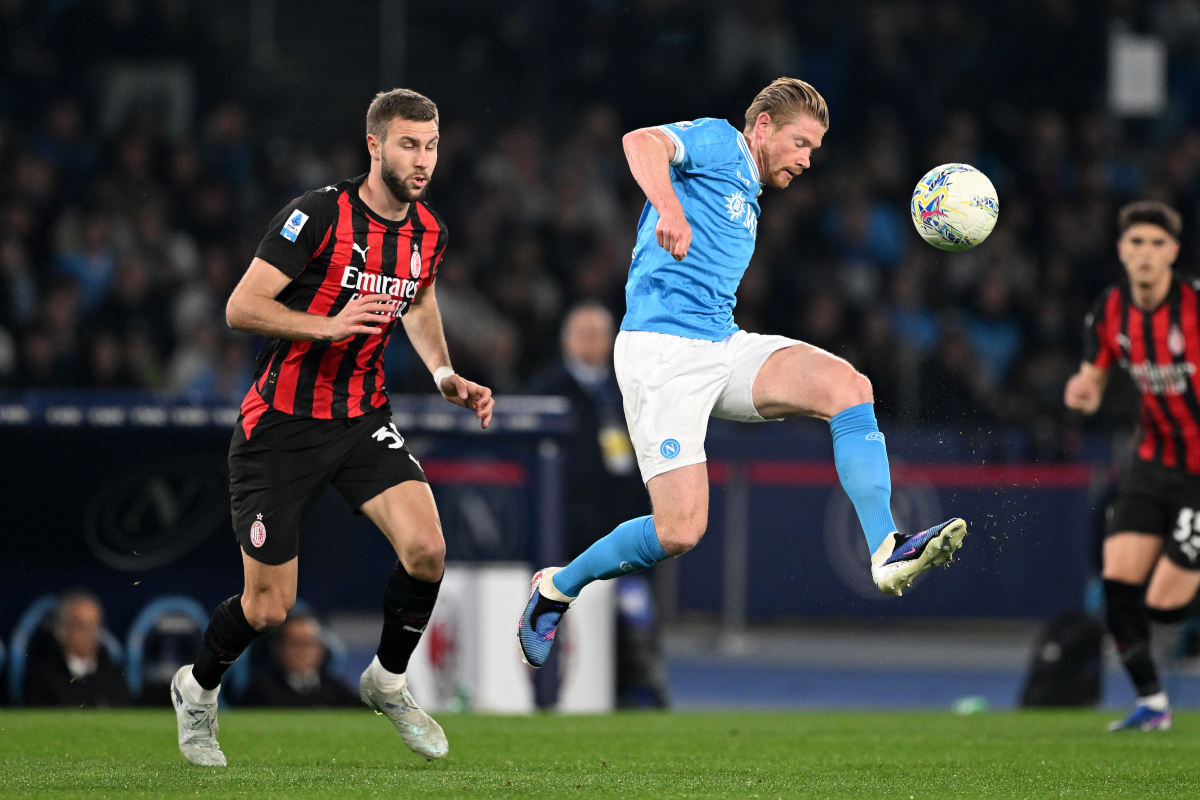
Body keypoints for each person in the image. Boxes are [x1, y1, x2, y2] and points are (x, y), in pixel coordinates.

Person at [518, 78, 968, 670]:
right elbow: (638, 142)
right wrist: (670, 209)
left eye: (814, 149)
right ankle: (557, 588)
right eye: (800, 143)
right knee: (680, 531)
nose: (807, 161)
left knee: (849, 387)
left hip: (719, 343)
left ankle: (885, 548)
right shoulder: (720, 143)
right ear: (762, 128)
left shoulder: (749, 188)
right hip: (660, 353)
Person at [169, 88, 494, 766]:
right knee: (267, 609)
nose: (423, 159)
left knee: (427, 550)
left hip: (360, 418)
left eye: (431, 146)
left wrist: (441, 373)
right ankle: (197, 691)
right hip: (280, 427)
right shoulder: (317, 215)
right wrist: (329, 324)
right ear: (374, 145)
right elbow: (241, 306)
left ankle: (388, 680)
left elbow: (421, 294)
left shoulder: (426, 231)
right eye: (409, 144)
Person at [1065, 200, 1200, 732]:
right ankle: (1153, 706)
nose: (1145, 253)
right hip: (1152, 460)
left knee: (1166, 607)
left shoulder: (1193, 309)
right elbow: (1091, 381)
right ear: (1122, 250)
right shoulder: (1110, 310)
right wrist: (1082, 392)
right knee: (1119, 587)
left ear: (1173, 252)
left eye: (1156, 244)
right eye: (1136, 243)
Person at [526, 302, 667, 707]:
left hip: (623, 526)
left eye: (597, 334)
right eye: (582, 334)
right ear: (565, 340)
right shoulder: (547, 389)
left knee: (634, 608)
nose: (590, 343)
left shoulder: (627, 388)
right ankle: (555, 691)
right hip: (565, 529)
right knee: (568, 608)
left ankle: (639, 690)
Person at [24, 590, 130, 707]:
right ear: (62, 630)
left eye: (95, 626)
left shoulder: (111, 671)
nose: (89, 634)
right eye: (81, 627)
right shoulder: (43, 673)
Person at [243, 614, 359, 708]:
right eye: (296, 644)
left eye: (310, 644)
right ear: (278, 648)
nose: (303, 652)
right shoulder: (261, 691)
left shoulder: (337, 689)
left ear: (321, 649)